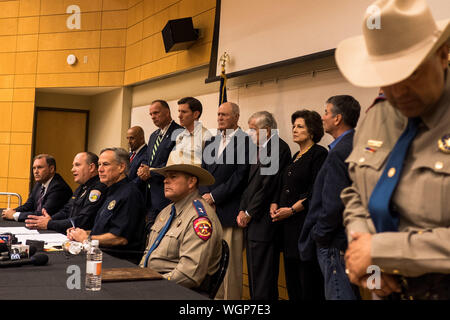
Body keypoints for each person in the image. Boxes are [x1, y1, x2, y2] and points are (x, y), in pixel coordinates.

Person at [335, 0, 450, 299]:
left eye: (412, 73)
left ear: (443, 55)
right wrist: (370, 268)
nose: (399, 91)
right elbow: (357, 197)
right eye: (388, 77)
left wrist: (383, 251)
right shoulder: (377, 117)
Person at [299, 96, 361, 300]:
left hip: (334, 242)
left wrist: (321, 235)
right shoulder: (355, 144)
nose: (323, 117)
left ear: (337, 119)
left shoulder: (340, 152)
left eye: (326, 112)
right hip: (345, 239)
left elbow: (334, 202)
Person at [139, 156, 223, 290]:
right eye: (165, 177)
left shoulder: (200, 218)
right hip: (153, 282)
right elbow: (148, 253)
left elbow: (189, 275)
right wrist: (139, 275)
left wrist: (151, 283)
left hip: (177, 290)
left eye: (173, 177)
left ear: (191, 182)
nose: (165, 180)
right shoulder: (166, 211)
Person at [270, 110, 328, 300]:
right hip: (287, 227)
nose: (294, 129)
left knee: (308, 282)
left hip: (304, 225)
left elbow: (316, 191)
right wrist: (275, 203)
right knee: (292, 280)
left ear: (312, 131)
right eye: (294, 126)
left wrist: (293, 209)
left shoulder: (319, 154)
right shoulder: (296, 155)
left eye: (300, 126)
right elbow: (284, 186)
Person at [199, 101, 252, 300]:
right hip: (209, 210)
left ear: (236, 117)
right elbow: (203, 171)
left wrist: (214, 196)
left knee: (230, 266)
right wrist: (206, 196)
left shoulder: (246, 142)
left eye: (225, 115)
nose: (220, 118)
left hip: (229, 210)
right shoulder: (210, 141)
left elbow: (240, 176)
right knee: (211, 262)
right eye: (219, 114)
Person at [237, 111, 291, 300]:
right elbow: (249, 185)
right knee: (254, 275)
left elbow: (267, 186)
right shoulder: (259, 149)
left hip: (264, 222)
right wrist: (242, 209)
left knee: (264, 280)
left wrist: (249, 212)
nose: (249, 133)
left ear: (267, 131)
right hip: (253, 222)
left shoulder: (278, 148)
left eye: (253, 129)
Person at [67, 148, 146, 264]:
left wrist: (87, 238)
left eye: (105, 164)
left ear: (121, 167)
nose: (100, 169)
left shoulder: (129, 194)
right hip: (101, 254)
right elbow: (102, 231)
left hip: (119, 261)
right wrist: (80, 233)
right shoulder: (112, 191)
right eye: (99, 165)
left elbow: (119, 238)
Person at [23, 152, 106, 234]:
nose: (72, 169)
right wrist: (50, 219)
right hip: (71, 233)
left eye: (77, 165)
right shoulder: (81, 187)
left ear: (91, 167)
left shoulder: (98, 188)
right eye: (73, 166)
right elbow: (66, 210)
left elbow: (83, 220)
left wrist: (50, 223)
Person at [137, 99, 183, 229]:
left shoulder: (179, 133)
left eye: (156, 113)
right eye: (151, 114)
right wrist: (142, 169)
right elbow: (147, 158)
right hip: (149, 195)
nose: (153, 117)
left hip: (166, 195)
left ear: (167, 112)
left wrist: (150, 172)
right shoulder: (153, 135)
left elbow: (174, 162)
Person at [1, 154, 72, 222]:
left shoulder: (58, 187)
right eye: (34, 168)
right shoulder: (39, 183)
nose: (36, 171)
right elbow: (29, 205)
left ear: (51, 169)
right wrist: (13, 211)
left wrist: (15, 215)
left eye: (40, 167)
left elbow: (43, 214)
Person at [170, 96, 212, 165]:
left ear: (195, 114)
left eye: (184, 112)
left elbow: (208, 165)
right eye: (179, 111)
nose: (179, 116)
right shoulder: (179, 136)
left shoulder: (206, 136)